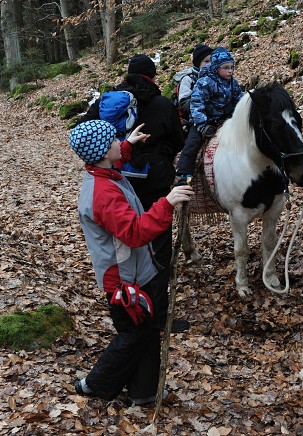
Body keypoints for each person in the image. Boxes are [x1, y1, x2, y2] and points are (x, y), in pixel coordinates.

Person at [68, 119, 194, 405]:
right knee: (133, 335)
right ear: (101, 152)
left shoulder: (103, 174)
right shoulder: (103, 194)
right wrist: (167, 202)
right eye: (113, 140)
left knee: (147, 332)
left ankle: (144, 393)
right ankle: (94, 383)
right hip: (122, 280)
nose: (118, 142)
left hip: (136, 270)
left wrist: (127, 146)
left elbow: (114, 160)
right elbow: (135, 233)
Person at [78, 53, 189, 332]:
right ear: (152, 76)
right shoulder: (162, 104)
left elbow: (86, 130)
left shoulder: (109, 101)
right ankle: (158, 317)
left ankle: (131, 306)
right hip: (154, 186)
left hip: (117, 180)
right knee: (157, 251)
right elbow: (179, 140)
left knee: (123, 251)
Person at [175, 47, 243, 184]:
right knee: (193, 143)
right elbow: (196, 103)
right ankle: (184, 174)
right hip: (204, 120)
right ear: (217, 68)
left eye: (232, 67)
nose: (230, 70)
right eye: (226, 67)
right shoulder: (205, 82)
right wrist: (202, 124)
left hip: (224, 119)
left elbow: (239, 98)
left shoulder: (232, 83)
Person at [173, 44, 213, 126]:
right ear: (198, 63)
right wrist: (206, 105)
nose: (210, 64)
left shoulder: (216, 77)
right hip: (193, 120)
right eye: (206, 61)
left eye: (212, 60)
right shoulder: (188, 79)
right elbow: (184, 103)